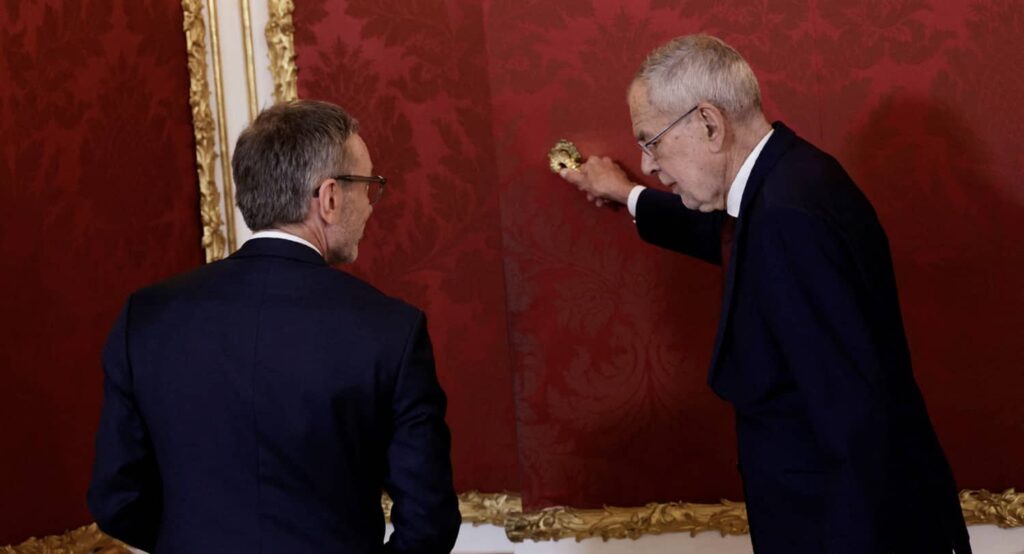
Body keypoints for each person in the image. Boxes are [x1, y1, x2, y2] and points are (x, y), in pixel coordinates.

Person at [559, 35, 970, 553]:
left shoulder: (786, 219)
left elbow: (853, 421)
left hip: (837, 529)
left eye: (651, 142)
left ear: (709, 123)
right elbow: (730, 236)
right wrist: (627, 196)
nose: (649, 165)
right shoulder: (789, 177)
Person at [87, 100, 461, 553]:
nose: (370, 204)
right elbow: (429, 521)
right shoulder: (390, 329)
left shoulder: (146, 317)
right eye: (368, 186)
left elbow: (117, 499)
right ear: (328, 198)